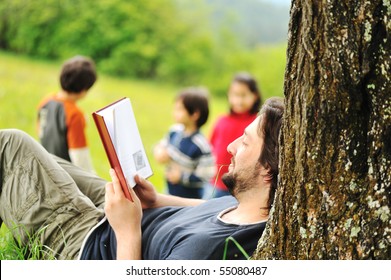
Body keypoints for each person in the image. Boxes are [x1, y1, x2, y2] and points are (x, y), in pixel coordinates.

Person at [0, 97, 284, 260]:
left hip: (90, 243)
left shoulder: (204, 252)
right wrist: (157, 199)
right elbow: (205, 209)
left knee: (9, 146)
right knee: (47, 159)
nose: (231, 147)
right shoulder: (257, 213)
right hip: (130, 214)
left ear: (268, 169)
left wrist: (127, 230)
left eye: (245, 143)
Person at [37, 55, 97, 173]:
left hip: (46, 165)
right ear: (84, 89)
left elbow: (40, 131)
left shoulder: (46, 101)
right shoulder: (74, 114)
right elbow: (79, 155)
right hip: (66, 174)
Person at [153, 87, 215, 199]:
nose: (174, 113)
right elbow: (162, 144)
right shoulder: (174, 131)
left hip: (189, 200)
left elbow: (206, 176)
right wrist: (160, 151)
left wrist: (181, 177)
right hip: (170, 190)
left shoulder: (201, 146)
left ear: (195, 114)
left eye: (180, 109)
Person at [208, 72, 262, 198]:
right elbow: (210, 147)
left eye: (244, 95)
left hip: (242, 188)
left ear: (255, 96)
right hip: (216, 184)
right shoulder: (221, 121)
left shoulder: (256, 123)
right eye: (235, 95)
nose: (239, 100)